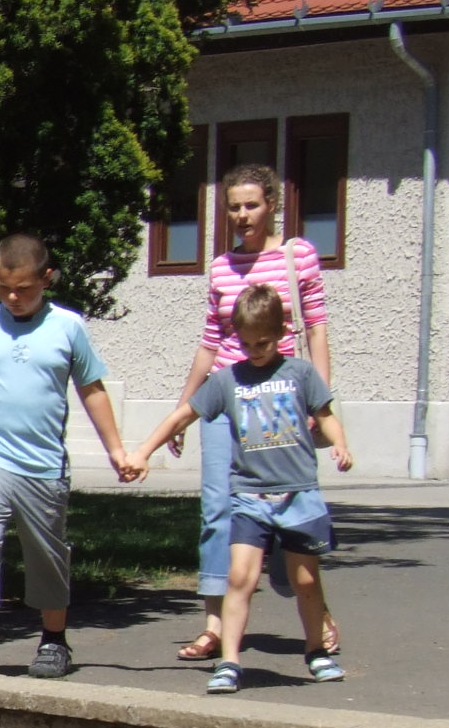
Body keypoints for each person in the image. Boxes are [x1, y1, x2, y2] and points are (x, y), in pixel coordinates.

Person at [128, 284, 352, 693]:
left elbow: (325, 414)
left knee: (305, 581)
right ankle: (230, 662)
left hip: (299, 494)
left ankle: (316, 652)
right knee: (239, 578)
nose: (254, 351)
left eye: (262, 343)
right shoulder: (227, 380)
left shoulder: (300, 374)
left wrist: (340, 443)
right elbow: (183, 416)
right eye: (246, 344)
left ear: (282, 332)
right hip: (250, 496)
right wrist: (143, 451)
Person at [0, 232, 134, 681]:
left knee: (47, 555)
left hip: (45, 467)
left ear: (47, 278)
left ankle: (54, 641)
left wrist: (116, 450)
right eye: (3, 287)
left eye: (23, 288)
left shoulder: (67, 326)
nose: (12, 297)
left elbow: (92, 389)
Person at [171, 166, 338, 663]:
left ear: (271, 205)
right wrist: (184, 409)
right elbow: (210, 343)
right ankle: (215, 625)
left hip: (279, 400)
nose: (243, 215)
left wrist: (319, 401)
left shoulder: (297, 255)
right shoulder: (221, 267)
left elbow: (316, 328)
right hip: (227, 397)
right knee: (216, 508)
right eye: (234, 207)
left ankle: (316, 609)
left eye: (252, 205)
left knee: (292, 507)